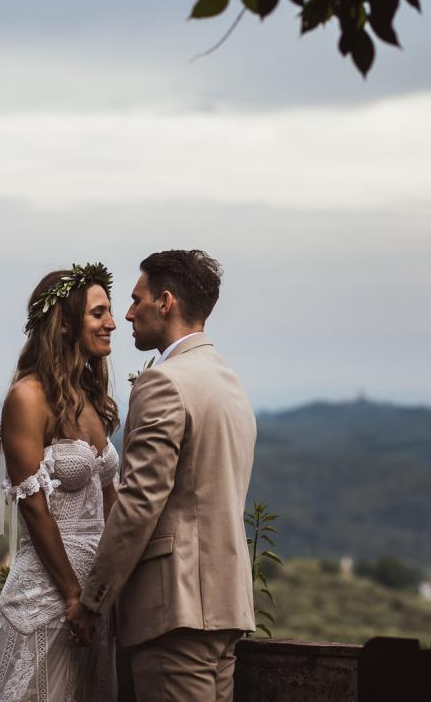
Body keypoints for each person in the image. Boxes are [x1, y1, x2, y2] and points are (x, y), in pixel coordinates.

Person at [70, 250, 257, 702]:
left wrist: (92, 601)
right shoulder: (228, 381)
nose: (127, 314)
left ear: (165, 302)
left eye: (137, 300)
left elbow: (139, 503)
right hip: (226, 606)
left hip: (174, 610)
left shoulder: (164, 383)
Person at [0, 263, 121, 702]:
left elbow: (111, 504)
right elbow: (34, 508)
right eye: (99, 313)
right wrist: (73, 596)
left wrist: (104, 591)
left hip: (92, 602)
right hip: (49, 594)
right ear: (64, 323)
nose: (112, 323)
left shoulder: (93, 401)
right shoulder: (27, 398)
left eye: (109, 311)